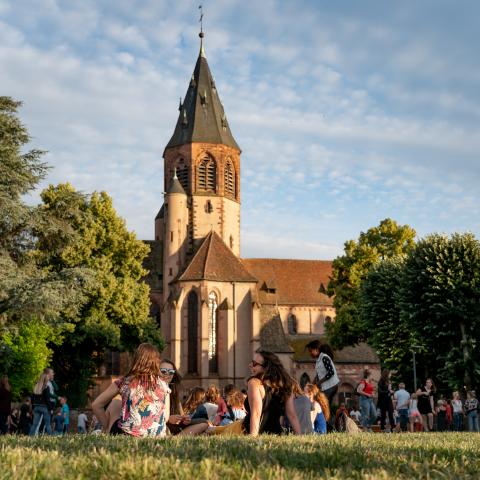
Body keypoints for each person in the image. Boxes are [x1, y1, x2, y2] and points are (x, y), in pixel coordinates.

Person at [92, 343, 170, 437]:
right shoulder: (164, 385)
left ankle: (104, 430)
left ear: (136, 359)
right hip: (157, 436)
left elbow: (96, 405)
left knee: (115, 403)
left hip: (128, 434)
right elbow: (165, 417)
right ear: (157, 361)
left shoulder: (124, 382)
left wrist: (107, 426)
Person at [243, 350, 301, 435]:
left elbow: (256, 414)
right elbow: (292, 415)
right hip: (276, 433)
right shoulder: (286, 385)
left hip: (248, 430)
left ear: (266, 368)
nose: (250, 365)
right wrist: (300, 436)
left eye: (254, 364)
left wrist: (252, 439)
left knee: (218, 431)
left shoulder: (254, 383)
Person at [158, 358, 209, 436]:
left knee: (204, 423)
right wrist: (168, 419)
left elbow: (181, 415)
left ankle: (176, 439)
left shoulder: (174, 392)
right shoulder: (152, 390)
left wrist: (185, 419)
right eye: (163, 371)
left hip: (174, 427)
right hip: (161, 426)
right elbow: (149, 417)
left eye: (171, 372)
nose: (167, 374)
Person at [306, 341, 339, 411]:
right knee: (325, 407)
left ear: (316, 349)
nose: (310, 353)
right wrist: (313, 382)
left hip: (330, 386)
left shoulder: (324, 357)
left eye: (311, 351)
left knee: (322, 407)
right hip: (328, 386)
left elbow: (331, 372)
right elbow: (320, 373)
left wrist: (319, 382)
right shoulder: (320, 359)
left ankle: (324, 421)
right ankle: (326, 421)